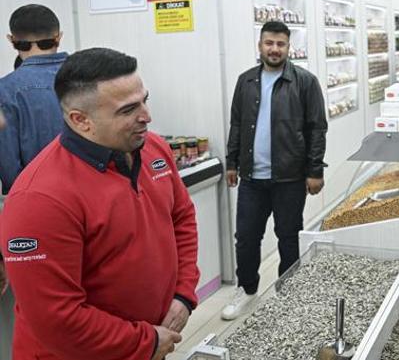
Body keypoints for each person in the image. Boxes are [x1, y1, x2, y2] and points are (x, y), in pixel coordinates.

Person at [0, 47, 200, 360]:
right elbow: (57, 320)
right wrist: (144, 341)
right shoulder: (40, 199)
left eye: (145, 99)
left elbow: (181, 217)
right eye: (128, 109)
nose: (146, 116)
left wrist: (183, 294)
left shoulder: (153, 150)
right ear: (80, 120)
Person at [223, 20, 328, 320]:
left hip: (290, 177)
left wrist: (315, 170)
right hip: (252, 178)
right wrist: (232, 162)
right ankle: (247, 288)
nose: (274, 49)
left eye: (281, 44)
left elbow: (316, 129)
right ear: (260, 45)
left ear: (288, 47)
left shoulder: (305, 81)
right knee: (245, 236)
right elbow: (237, 124)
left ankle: (289, 290)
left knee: (288, 235)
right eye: (269, 43)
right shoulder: (246, 81)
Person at [0, 4, 68, 193]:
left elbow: (8, 165)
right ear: (59, 38)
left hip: (37, 198)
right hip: (94, 195)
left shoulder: (5, 90)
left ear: (11, 40)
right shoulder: (91, 76)